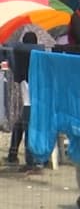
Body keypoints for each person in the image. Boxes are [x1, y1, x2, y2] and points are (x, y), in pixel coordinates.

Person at [6, 32, 44, 173]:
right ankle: (15, 155)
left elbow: (13, 53)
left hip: (27, 101)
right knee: (21, 126)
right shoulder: (38, 58)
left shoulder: (19, 56)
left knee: (26, 128)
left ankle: (30, 162)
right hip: (35, 102)